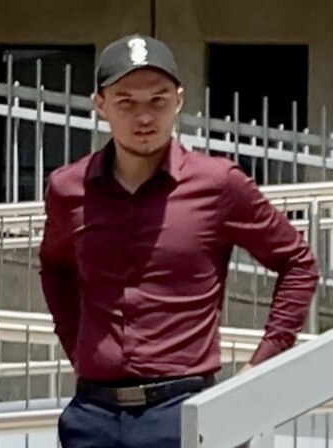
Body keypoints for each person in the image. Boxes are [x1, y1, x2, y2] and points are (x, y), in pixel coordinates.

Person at [39, 34, 319, 448]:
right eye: (126, 101)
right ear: (100, 105)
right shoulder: (68, 188)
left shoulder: (219, 184)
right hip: (91, 418)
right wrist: (77, 346)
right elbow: (56, 266)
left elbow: (297, 263)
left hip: (184, 411)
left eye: (158, 99)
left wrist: (260, 366)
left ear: (179, 100)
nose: (144, 116)